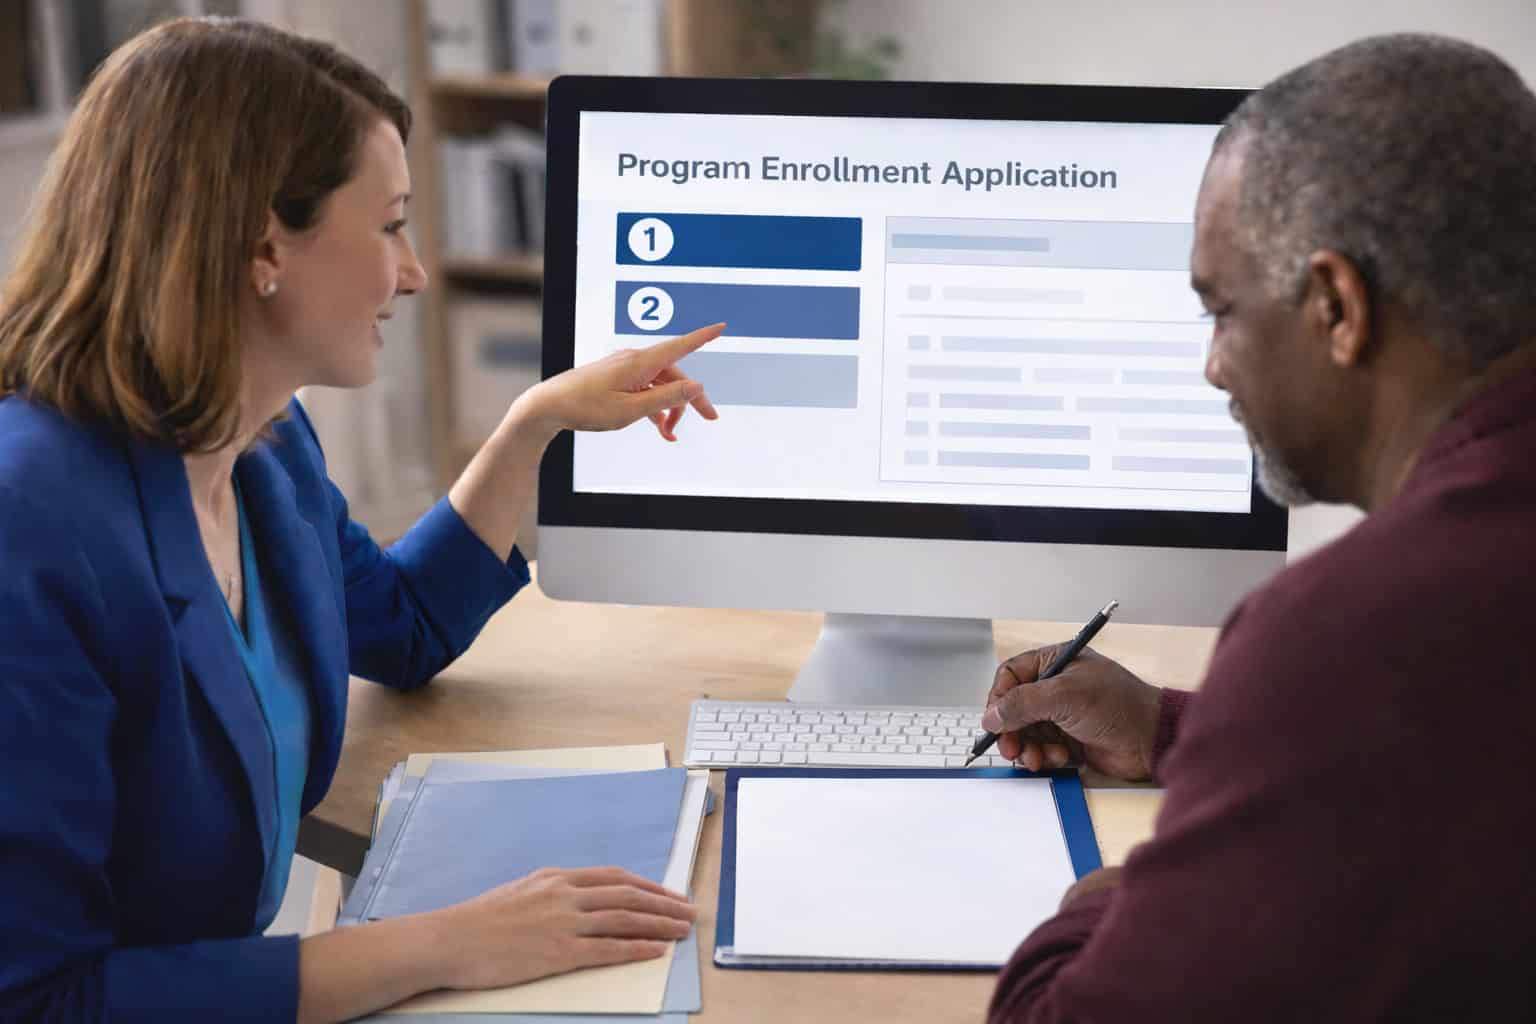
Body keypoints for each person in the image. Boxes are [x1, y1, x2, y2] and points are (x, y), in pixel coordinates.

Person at [0, 17, 722, 1023]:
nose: (414, 272)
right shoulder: (31, 530)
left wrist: (536, 422)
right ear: (264, 244)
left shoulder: (262, 444)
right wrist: (442, 945)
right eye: (390, 225)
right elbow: (42, 1000)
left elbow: (402, 625)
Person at [981, 33, 1536, 1022]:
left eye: (1221, 311)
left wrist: (1114, 904)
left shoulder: (1355, 632)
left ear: (1336, 306)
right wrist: (1179, 731)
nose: (1212, 368)